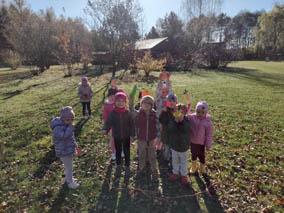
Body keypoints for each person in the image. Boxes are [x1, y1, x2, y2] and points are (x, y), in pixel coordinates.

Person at [102, 91, 135, 177]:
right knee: (118, 151)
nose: (120, 103)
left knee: (127, 151)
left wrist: (132, 135)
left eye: (122, 101)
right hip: (116, 135)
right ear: (115, 102)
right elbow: (108, 122)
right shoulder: (113, 113)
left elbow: (132, 125)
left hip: (126, 136)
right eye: (118, 101)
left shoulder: (128, 113)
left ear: (125, 102)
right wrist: (105, 129)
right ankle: (118, 165)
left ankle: (127, 166)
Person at [160, 103, 191, 185]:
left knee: (183, 162)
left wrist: (180, 121)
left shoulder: (187, 121)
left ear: (184, 114)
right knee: (175, 161)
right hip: (174, 147)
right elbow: (169, 128)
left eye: (180, 113)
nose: (177, 115)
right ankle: (175, 173)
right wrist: (174, 122)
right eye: (176, 113)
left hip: (184, 148)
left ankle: (184, 175)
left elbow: (185, 129)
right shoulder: (172, 121)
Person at [50, 106, 79, 189]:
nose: (70, 122)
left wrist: (75, 145)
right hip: (63, 150)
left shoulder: (67, 125)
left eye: (72, 120)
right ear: (63, 119)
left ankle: (68, 178)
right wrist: (70, 128)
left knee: (69, 166)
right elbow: (63, 137)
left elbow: (71, 138)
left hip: (68, 149)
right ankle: (70, 183)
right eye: (68, 120)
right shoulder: (57, 128)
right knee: (69, 167)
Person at [129, 95, 158, 179]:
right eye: (144, 102)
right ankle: (141, 166)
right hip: (141, 138)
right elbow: (131, 111)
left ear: (152, 105)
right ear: (141, 104)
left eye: (149, 103)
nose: (146, 104)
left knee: (152, 153)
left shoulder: (154, 114)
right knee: (141, 152)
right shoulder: (138, 113)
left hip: (152, 138)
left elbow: (160, 122)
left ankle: (153, 168)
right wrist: (131, 103)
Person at [187, 101, 214, 174]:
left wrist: (208, 144)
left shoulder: (208, 123)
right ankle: (193, 167)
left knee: (202, 156)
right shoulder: (193, 117)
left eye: (203, 112)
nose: (200, 114)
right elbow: (186, 116)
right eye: (198, 112)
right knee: (193, 155)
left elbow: (209, 135)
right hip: (193, 142)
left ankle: (202, 168)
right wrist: (189, 107)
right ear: (196, 111)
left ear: (206, 113)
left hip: (201, 144)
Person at [155, 72, 172, 152]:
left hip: (166, 121)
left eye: (165, 90)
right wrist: (161, 80)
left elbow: (169, 89)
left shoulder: (168, 99)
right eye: (162, 90)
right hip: (158, 119)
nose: (163, 91)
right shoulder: (158, 99)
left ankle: (164, 146)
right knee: (158, 133)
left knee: (164, 133)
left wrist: (168, 80)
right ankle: (157, 146)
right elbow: (158, 89)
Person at [158, 93, 177, 164]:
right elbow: (161, 120)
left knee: (173, 148)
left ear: (176, 102)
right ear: (166, 103)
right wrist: (163, 112)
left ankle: (173, 158)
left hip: (174, 135)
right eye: (169, 101)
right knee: (166, 147)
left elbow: (180, 121)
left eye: (173, 101)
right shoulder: (165, 111)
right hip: (166, 134)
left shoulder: (177, 111)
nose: (171, 102)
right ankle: (166, 158)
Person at [102, 88, 117, 161]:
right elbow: (105, 117)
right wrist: (107, 127)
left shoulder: (117, 103)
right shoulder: (107, 106)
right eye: (110, 96)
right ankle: (113, 153)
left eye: (114, 95)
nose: (112, 97)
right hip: (111, 126)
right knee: (113, 139)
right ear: (108, 96)